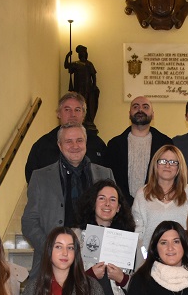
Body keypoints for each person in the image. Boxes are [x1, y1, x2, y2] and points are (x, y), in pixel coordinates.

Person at [21, 124, 114, 278]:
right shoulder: (40, 177)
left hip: (97, 261)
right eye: (68, 141)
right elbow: (29, 222)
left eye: (79, 140)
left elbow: (117, 216)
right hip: (52, 265)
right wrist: (51, 249)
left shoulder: (106, 174)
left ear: (86, 143)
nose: (75, 146)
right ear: (59, 145)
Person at [103, 96, 173, 205]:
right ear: (129, 113)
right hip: (121, 206)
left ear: (153, 114)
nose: (140, 110)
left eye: (145, 107)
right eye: (135, 106)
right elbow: (110, 179)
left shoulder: (165, 143)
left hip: (156, 204)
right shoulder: (114, 145)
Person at [24, 92, 107, 181]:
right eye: (67, 109)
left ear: (83, 115)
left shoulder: (97, 144)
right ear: (58, 114)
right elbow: (33, 180)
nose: (73, 114)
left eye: (77, 110)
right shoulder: (43, 145)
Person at [132, 145, 188, 259]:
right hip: (149, 258)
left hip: (181, 259)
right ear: (155, 165)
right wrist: (143, 258)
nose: (167, 165)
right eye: (162, 161)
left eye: (173, 162)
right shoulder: (142, 193)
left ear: (179, 167)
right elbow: (138, 231)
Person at [64, 45, 100, 129]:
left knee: (88, 103)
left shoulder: (89, 64)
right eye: (81, 53)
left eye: (84, 53)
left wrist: (94, 85)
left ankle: (87, 119)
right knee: (79, 103)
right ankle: (80, 118)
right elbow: (66, 65)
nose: (82, 55)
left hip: (88, 87)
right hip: (79, 87)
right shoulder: (76, 64)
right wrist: (67, 56)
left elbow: (93, 75)